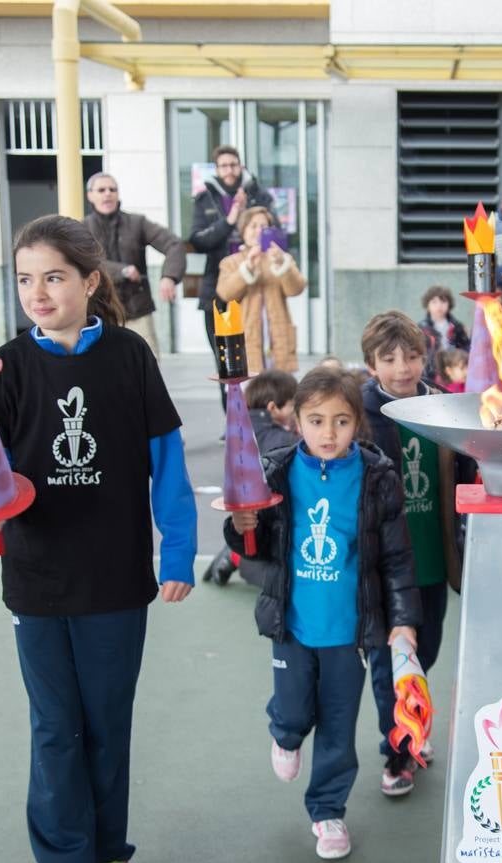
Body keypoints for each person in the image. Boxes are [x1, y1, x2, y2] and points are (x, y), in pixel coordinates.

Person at [0, 215, 197, 863]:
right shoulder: (5, 368)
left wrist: (180, 553)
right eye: (24, 279)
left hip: (114, 580)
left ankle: (108, 854)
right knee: (54, 731)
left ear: (89, 280)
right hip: (36, 578)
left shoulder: (130, 357)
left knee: (106, 725)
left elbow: (168, 461)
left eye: (52, 277)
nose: (37, 293)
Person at [224, 367, 422, 860]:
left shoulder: (378, 478)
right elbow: (255, 545)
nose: (328, 433)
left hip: (348, 633)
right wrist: (240, 525)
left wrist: (403, 620)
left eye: (340, 421)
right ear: (296, 421)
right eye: (316, 421)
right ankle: (285, 734)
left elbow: (396, 558)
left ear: (358, 422)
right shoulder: (275, 471)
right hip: (292, 627)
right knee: (294, 710)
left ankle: (328, 810)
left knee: (338, 723)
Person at [358, 311, 461, 796]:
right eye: (389, 358)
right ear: (371, 364)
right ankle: (398, 750)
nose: (403, 367)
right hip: (383, 565)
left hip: (433, 557)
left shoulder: (443, 406)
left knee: (428, 651)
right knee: (390, 663)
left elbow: (465, 470)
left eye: (413, 355)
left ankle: (411, 723)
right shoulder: (359, 412)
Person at [188, 146, 276, 399]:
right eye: (224, 165)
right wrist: (229, 221)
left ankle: (263, 414)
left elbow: (277, 234)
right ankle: (233, 420)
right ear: (216, 169)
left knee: (261, 355)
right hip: (218, 292)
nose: (229, 170)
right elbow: (198, 241)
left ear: (241, 167)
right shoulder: (205, 198)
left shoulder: (259, 196)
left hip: (257, 288)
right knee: (226, 360)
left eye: (233, 164)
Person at [203, 369, 300, 587]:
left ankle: (235, 555)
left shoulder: (240, 429)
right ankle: (236, 556)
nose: (296, 411)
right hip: (267, 524)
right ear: (273, 408)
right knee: (282, 578)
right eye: (293, 405)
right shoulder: (281, 440)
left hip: (251, 519)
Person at [83, 173, 186, 357]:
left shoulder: (137, 223)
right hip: (101, 314)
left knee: (149, 367)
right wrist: (122, 271)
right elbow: (87, 262)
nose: (108, 194)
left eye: (112, 189)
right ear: (90, 195)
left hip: (138, 312)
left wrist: (169, 276)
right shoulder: (82, 229)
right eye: (101, 190)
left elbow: (174, 244)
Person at [215, 206, 306, 375]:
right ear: (243, 231)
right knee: (248, 396)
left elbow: (297, 288)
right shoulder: (230, 262)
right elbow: (225, 293)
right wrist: (247, 267)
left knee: (280, 396)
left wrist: (281, 264)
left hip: (278, 340)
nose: (258, 231)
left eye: (264, 227)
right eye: (253, 226)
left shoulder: (280, 258)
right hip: (245, 341)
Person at [416, 285, 470, 379]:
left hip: (454, 372)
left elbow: (465, 347)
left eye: (443, 301)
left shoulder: (457, 326)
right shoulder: (421, 328)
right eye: (434, 302)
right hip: (430, 372)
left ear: (449, 304)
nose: (439, 306)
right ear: (427, 305)